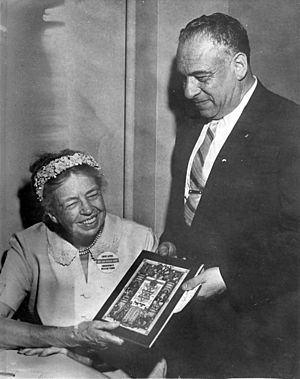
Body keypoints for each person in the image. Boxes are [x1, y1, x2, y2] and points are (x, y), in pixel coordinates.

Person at [157, 12, 300, 378]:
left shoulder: (290, 127)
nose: (189, 91)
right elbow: (189, 207)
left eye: (202, 77)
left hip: (258, 339)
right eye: (184, 78)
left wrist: (230, 277)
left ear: (238, 65)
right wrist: (171, 242)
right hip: (194, 335)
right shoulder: (193, 123)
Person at [0, 149, 166, 378]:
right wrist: (68, 337)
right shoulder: (27, 245)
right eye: (71, 204)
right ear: (52, 214)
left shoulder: (140, 239)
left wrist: (79, 356)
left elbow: (155, 337)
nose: (88, 209)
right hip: (59, 368)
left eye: (93, 194)